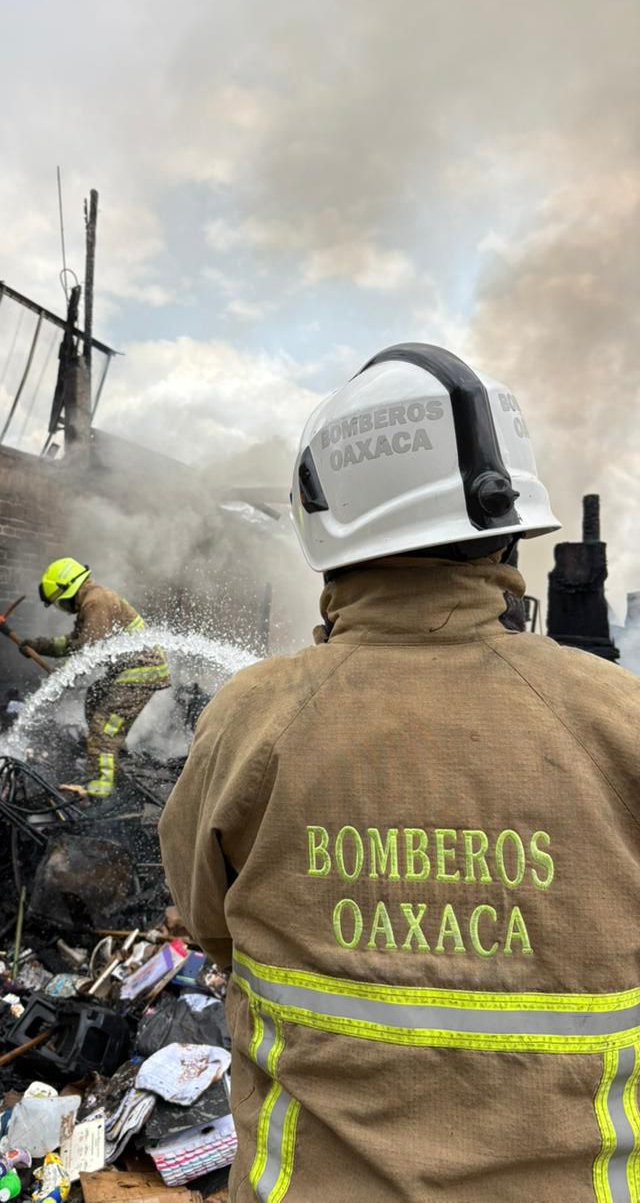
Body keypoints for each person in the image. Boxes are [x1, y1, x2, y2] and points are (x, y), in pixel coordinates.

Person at [159, 344, 640, 1202]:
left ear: (325, 520)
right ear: (506, 528)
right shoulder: (619, 720)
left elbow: (210, 926)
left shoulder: (252, 717)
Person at [20, 557, 170, 798]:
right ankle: (110, 771)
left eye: (58, 602)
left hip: (140, 671)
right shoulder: (92, 600)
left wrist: (63, 674)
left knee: (104, 726)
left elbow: (89, 650)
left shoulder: (96, 602)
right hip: (129, 671)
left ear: (66, 589)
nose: (61, 607)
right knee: (95, 699)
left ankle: (101, 789)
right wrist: (39, 645)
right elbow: (75, 643)